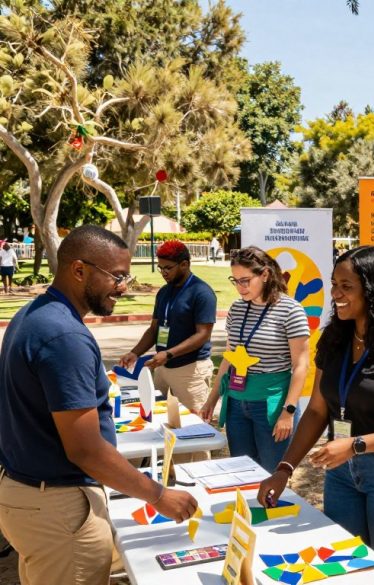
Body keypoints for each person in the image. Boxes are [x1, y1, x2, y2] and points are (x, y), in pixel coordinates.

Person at [0, 226, 198, 585]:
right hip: (57, 506)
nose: (123, 286)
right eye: (117, 276)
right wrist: (158, 495)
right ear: (79, 270)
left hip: (32, 496)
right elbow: (86, 450)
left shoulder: (35, 315)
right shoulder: (65, 336)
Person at [258, 246, 374, 583]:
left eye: (347, 287)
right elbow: (317, 410)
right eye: (334, 285)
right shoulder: (335, 335)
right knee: (345, 570)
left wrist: (356, 445)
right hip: (343, 474)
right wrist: (284, 469)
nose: (336, 295)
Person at [200, 246, 310, 473]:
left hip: (272, 404)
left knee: (272, 475)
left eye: (246, 280)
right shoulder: (237, 309)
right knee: (243, 473)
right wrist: (212, 399)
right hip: (237, 404)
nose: (240, 288)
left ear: (265, 275)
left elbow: (301, 365)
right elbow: (230, 358)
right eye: (235, 281)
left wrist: (288, 412)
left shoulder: (290, 310)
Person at [120, 241, 217, 448]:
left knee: (194, 429)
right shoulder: (164, 292)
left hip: (191, 371)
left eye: (168, 268)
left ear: (184, 264)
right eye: (160, 267)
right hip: (162, 368)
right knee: (162, 424)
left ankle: (196, 473)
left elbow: (202, 335)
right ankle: (169, 473)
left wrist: (169, 354)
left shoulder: (202, 292)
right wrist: (135, 353)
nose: (163, 272)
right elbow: (154, 330)